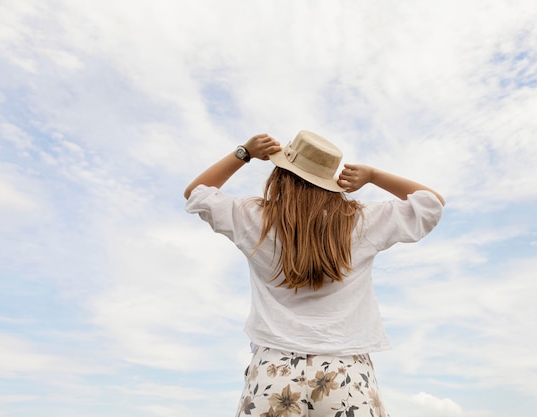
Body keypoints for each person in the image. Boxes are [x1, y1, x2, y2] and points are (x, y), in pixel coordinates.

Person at [184, 131, 445, 417]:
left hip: (274, 367)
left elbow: (196, 192)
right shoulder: (360, 220)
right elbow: (431, 202)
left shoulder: (254, 217)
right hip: (346, 369)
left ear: (280, 175)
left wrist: (243, 153)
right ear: (329, 180)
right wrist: (372, 175)